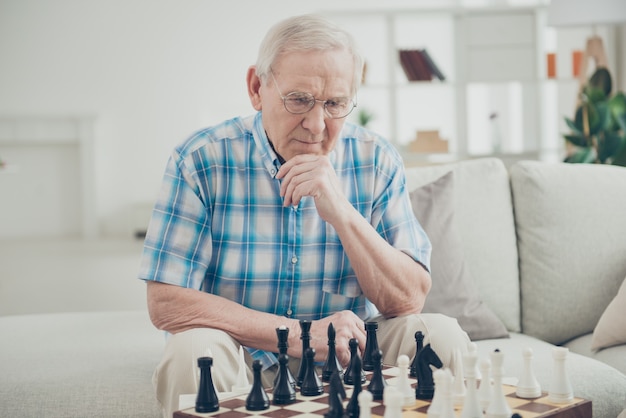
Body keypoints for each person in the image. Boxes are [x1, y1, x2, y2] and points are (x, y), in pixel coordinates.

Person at [138, 14, 469, 418]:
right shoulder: (200, 160)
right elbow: (167, 302)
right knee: (192, 351)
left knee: (442, 336)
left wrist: (343, 214)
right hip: (241, 356)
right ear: (257, 88)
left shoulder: (377, 160)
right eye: (298, 100)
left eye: (334, 104)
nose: (316, 125)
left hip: (350, 357)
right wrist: (298, 335)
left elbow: (409, 298)